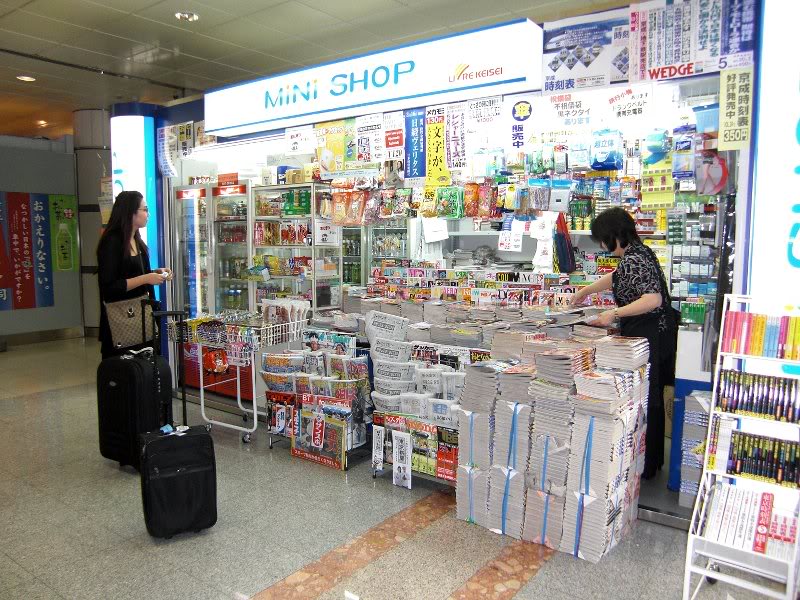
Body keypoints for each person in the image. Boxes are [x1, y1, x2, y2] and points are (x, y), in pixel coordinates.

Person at [571, 207, 677, 479]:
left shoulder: (635, 259)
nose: (603, 246)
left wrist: (613, 313)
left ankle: (647, 466)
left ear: (613, 235)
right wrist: (584, 292)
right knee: (647, 394)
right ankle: (650, 463)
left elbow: (653, 299)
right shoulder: (637, 254)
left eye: (602, 239)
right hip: (654, 330)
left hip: (650, 331)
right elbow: (617, 277)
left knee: (648, 396)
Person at [97, 191, 173, 360]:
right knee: (126, 376)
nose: (148, 214)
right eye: (144, 209)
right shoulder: (112, 242)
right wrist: (146, 278)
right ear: (130, 212)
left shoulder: (136, 239)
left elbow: (133, 272)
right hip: (121, 321)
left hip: (142, 318)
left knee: (146, 373)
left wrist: (155, 273)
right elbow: (110, 287)